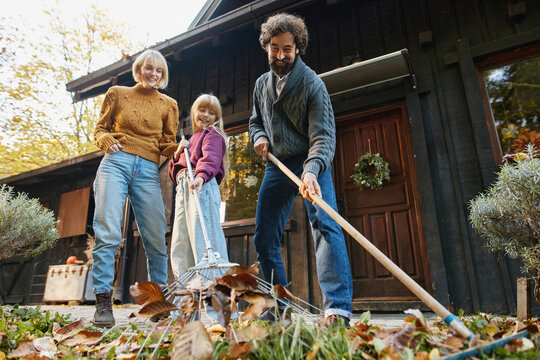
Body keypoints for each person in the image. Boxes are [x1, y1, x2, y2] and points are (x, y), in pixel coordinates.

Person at [249, 13, 353, 326]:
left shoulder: (312, 85)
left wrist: (311, 171)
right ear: (267, 46)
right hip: (277, 165)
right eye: (275, 48)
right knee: (264, 238)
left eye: (288, 49)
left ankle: (338, 310)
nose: (280, 56)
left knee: (325, 225)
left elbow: (323, 136)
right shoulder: (260, 85)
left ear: (298, 49)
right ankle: (278, 306)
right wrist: (260, 137)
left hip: (310, 162)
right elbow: (256, 121)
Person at [92, 49, 178, 327]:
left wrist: (182, 149)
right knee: (108, 233)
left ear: (162, 75)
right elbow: (99, 130)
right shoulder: (117, 94)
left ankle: (157, 301)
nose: (153, 74)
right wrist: (106, 141)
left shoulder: (169, 104)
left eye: (158, 70)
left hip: (147, 171)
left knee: (155, 237)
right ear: (138, 70)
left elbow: (167, 143)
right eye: (148, 68)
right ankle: (103, 303)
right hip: (115, 162)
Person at [169, 94, 230, 281]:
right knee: (181, 240)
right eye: (202, 110)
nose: (206, 115)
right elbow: (174, 171)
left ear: (217, 118)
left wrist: (201, 177)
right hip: (184, 186)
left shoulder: (213, 133)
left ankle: (214, 294)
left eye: (212, 113)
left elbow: (210, 159)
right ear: (194, 112)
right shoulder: (190, 139)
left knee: (204, 238)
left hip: (200, 184)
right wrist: (178, 151)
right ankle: (186, 295)